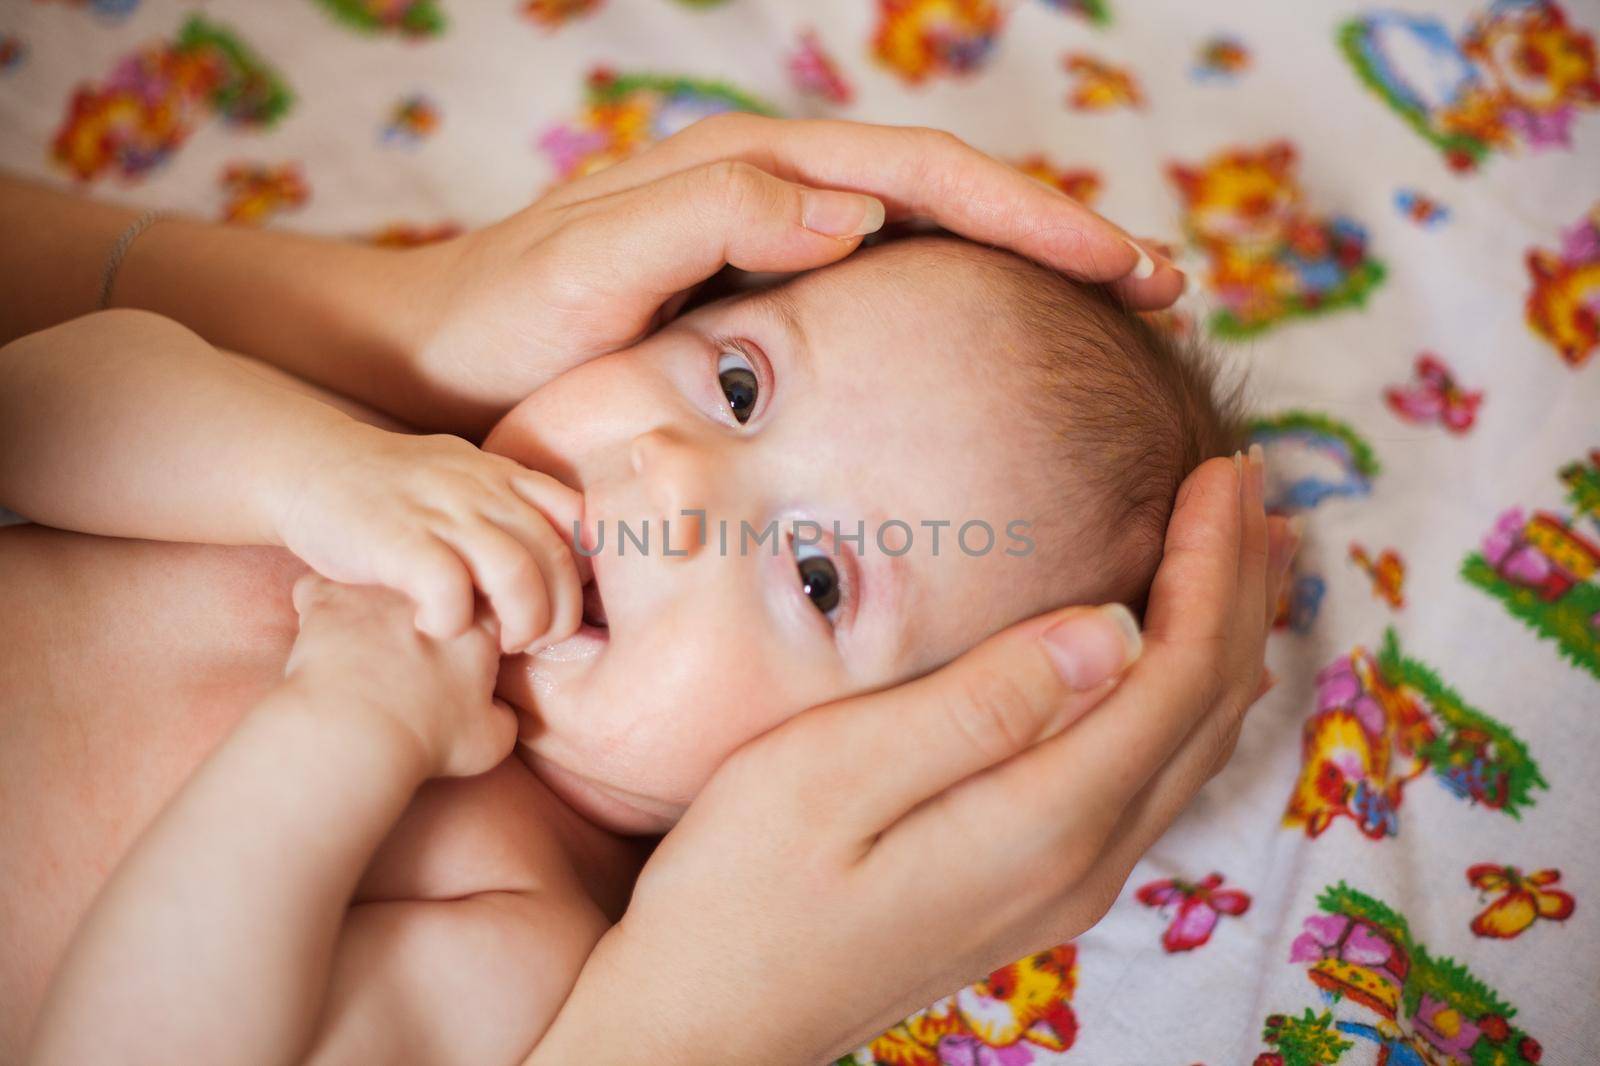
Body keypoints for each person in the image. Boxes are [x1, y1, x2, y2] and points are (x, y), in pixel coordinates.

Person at [0, 116, 1289, 1064]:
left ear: (876, 764)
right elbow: (40, 400)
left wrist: (343, 729)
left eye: (820, 575)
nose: (677, 481)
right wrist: (309, 473)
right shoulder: (382, 469)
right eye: (735, 385)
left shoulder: (513, 926)